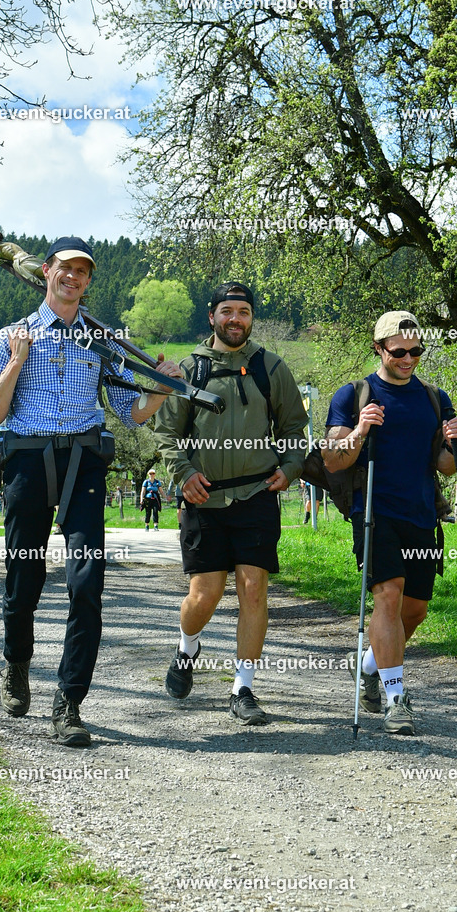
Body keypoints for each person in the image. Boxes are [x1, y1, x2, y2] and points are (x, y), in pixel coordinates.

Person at [0, 235, 182, 747]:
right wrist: (18, 363)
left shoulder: (101, 341)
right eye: (65, 268)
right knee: (24, 579)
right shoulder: (9, 336)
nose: (73, 277)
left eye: (82, 271)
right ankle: (16, 663)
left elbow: (131, 414)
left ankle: (69, 702)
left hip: (85, 464)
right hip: (26, 461)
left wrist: (159, 388)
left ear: (88, 281)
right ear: (46, 271)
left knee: (87, 584)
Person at [155, 281, 308, 725]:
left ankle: (243, 689)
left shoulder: (270, 368)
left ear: (251, 318)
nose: (235, 319)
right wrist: (184, 475)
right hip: (204, 497)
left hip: (257, 495)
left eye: (243, 311)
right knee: (204, 596)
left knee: (253, 588)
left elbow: (295, 427)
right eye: (227, 311)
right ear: (212, 317)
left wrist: (292, 466)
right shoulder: (189, 369)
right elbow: (166, 435)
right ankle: (187, 647)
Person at [323, 312, 457, 736]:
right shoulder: (352, 395)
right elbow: (332, 458)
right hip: (373, 513)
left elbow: (445, 468)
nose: (408, 358)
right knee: (389, 594)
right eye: (399, 351)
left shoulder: (435, 398)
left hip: (421, 516)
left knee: (414, 610)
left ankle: (368, 664)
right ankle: (396, 699)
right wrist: (360, 430)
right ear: (379, 348)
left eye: (416, 350)